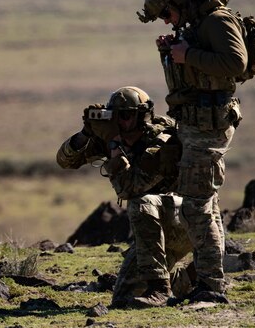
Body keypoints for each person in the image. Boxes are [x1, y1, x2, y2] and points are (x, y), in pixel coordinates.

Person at [137, 0, 247, 303]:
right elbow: (195, 77)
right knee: (204, 206)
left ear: (178, 1)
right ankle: (207, 281)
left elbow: (236, 63)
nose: (168, 22)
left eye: (167, 14)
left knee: (196, 209)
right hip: (195, 125)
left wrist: (189, 55)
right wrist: (173, 53)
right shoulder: (195, 27)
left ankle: (211, 288)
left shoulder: (215, 21)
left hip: (208, 127)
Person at [56, 86, 194, 308]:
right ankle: (187, 280)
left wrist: (113, 148)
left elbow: (130, 189)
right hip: (152, 228)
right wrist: (86, 134)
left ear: (142, 116)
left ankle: (160, 288)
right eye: (115, 116)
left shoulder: (160, 142)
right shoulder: (115, 138)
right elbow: (65, 160)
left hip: (183, 220)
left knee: (141, 203)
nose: (120, 122)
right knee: (123, 298)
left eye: (126, 115)